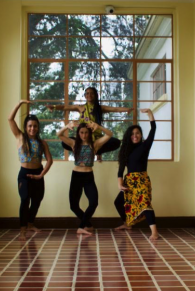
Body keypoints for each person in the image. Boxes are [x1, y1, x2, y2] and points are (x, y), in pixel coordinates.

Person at [57, 121, 113, 236]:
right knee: (73, 205)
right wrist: (67, 126)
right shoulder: (73, 143)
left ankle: (81, 227)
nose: (84, 135)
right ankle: (87, 224)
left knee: (93, 202)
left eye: (86, 133)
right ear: (78, 133)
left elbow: (109, 134)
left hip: (88, 176)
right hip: (76, 175)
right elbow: (59, 135)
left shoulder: (95, 144)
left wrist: (98, 126)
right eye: (81, 133)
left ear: (90, 133)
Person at [46, 87, 133, 160]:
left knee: (116, 142)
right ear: (85, 96)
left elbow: (114, 109)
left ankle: (97, 151)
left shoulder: (99, 108)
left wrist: (126, 109)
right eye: (87, 93)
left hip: (96, 139)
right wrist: (54, 107)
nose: (89, 95)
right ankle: (82, 150)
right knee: (64, 143)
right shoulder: (80, 107)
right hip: (83, 138)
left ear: (95, 95)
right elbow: (65, 107)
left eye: (92, 93)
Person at [8, 100, 53, 241]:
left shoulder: (42, 142)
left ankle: (30, 224)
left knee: (37, 201)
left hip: (38, 174)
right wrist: (20, 103)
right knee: (25, 200)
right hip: (24, 175)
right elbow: (10, 119)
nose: (32, 128)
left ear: (38, 128)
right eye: (29, 126)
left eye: (35, 126)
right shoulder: (20, 137)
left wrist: (41, 175)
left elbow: (49, 160)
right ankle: (22, 230)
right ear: (26, 127)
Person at [114, 108, 159, 240]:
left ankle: (154, 232)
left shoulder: (145, 146)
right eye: (132, 133)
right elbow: (121, 168)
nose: (135, 135)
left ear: (140, 135)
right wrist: (120, 183)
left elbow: (153, 130)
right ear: (129, 136)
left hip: (141, 180)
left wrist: (150, 114)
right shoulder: (126, 150)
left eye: (137, 133)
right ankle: (127, 224)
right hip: (129, 181)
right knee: (118, 202)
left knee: (145, 204)